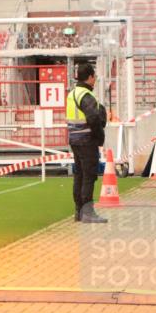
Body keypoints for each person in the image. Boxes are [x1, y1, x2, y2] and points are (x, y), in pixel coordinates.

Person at [66, 62, 108, 223]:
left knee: (79, 175)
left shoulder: (72, 93)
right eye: (94, 76)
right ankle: (87, 213)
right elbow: (93, 118)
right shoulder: (85, 95)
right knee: (89, 176)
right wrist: (100, 137)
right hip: (86, 140)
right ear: (90, 77)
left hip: (74, 140)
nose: (95, 79)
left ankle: (79, 211)